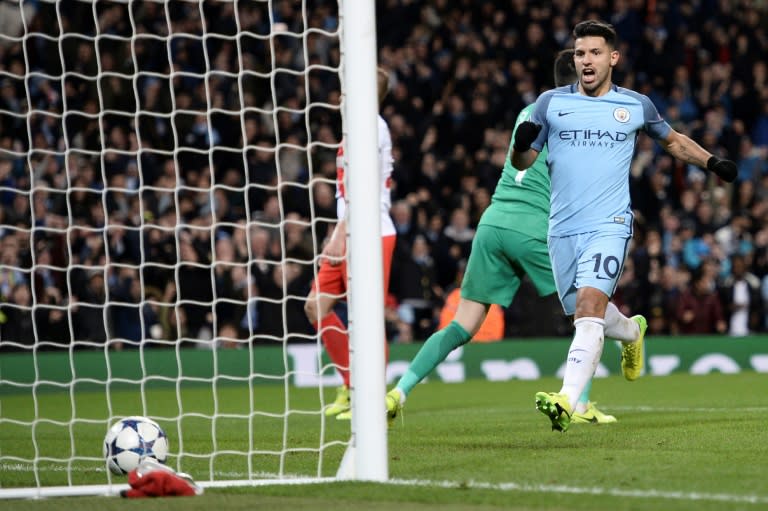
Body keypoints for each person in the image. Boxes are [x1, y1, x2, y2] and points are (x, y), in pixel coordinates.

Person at [385, 49, 637, 427]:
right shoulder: (580, 119)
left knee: (460, 325)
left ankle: (398, 391)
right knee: (589, 312)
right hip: (533, 226)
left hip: (494, 221)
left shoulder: (531, 110)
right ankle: (589, 392)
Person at [510, 20, 737, 432]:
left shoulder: (636, 105)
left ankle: (566, 399)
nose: (586, 60)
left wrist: (711, 162)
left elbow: (673, 141)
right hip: (562, 228)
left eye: (595, 52)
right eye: (580, 54)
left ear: (613, 58)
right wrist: (521, 146)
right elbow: (522, 165)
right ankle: (632, 333)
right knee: (582, 313)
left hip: (609, 224)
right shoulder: (550, 104)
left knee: (589, 308)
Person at [304, 67, 395, 420]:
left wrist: (340, 234)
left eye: (348, 90)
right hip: (349, 229)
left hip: (371, 232)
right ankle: (351, 385)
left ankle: (371, 396)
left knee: (366, 317)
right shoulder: (354, 128)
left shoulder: (372, 127)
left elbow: (364, 188)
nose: (341, 97)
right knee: (316, 306)